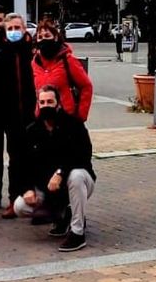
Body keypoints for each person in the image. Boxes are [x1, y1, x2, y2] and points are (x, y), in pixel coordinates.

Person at [14, 85, 96, 252]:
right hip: (48, 189)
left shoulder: (74, 125)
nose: (46, 106)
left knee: (77, 176)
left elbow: (82, 156)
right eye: (42, 102)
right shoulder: (32, 131)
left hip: (77, 182)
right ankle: (61, 216)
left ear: (58, 103)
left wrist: (60, 173)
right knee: (20, 206)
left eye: (50, 102)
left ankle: (77, 232)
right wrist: (27, 189)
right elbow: (22, 165)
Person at [0, 13, 37, 216]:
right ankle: (0, 196)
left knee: (19, 159)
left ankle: (16, 198)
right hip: (1, 114)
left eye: (17, 28)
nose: (14, 32)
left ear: (24, 29)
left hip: (25, 115)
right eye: (10, 29)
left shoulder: (33, 54)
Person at [31, 19, 94, 122]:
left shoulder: (67, 60)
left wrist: (81, 115)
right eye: (40, 37)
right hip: (43, 118)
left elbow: (86, 86)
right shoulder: (35, 63)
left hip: (66, 118)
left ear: (55, 37)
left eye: (47, 36)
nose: (43, 40)